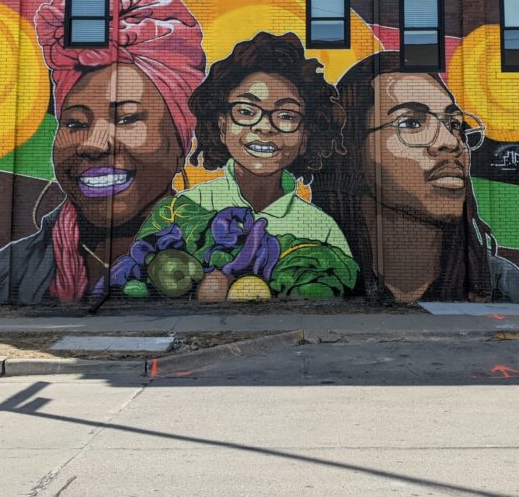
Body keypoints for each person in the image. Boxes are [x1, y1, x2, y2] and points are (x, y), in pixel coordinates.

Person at [0, 0, 206, 305]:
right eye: (74, 123)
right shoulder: (9, 271)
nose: (92, 144)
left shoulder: (224, 252)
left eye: (127, 118)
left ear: (181, 142)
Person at [111, 32, 358, 300]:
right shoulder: (181, 210)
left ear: (306, 136)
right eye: (245, 111)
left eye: (287, 116)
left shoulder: (322, 228)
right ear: (221, 125)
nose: (264, 127)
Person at [314, 52, 519, 304]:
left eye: (454, 124)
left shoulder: (502, 286)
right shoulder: (316, 276)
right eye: (410, 123)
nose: (451, 142)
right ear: (352, 150)